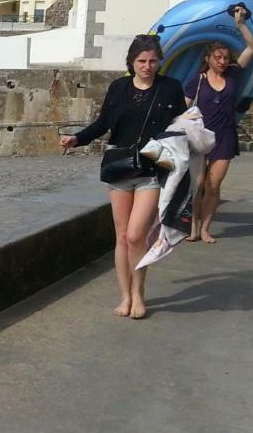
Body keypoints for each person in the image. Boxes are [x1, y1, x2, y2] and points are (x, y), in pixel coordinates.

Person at [59, 34, 187, 320]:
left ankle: (139, 293)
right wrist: (77, 139)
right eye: (142, 61)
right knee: (121, 236)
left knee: (136, 235)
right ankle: (125, 296)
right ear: (131, 62)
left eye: (153, 61)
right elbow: (103, 123)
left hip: (152, 168)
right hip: (119, 167)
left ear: (159, 62)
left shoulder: (170, 88)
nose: (147, 66)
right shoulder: (118, 88)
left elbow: (181, 126)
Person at [184, 6, 253, 243]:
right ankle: (193, 226)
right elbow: (181, 107)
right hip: (200, 137)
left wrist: (240, 24)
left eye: (226, 58)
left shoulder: (234, 74)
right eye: (218, 57)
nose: (223, 61)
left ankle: (206, 228)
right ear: (208, 58)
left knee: (213, 185)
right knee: (197, 185)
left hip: (224, 137)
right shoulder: (197, 80)